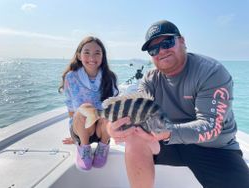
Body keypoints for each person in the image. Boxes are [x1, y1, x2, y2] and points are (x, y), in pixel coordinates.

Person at [106, 20, 249, 188]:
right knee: (134, 137)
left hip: (215, 149)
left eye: (167, 43)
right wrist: (112, 127)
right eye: (154, 49)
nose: (161, 51)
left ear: (182, 41)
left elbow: (211, 127)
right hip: (167, 142)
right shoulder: (151, 79)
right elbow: (133, 110)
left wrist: (168, 133)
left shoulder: (210, 72)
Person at [59, 36, 119, 171]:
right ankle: (84, 148)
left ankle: (103, 146)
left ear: (103, 56)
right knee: (85, 108)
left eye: (97, 53)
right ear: (79, 55)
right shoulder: (70, 77)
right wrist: (75, 133)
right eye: (87, 52)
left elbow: (115, 105)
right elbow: (69, 104)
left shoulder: (110, 77)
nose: (92, 57)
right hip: (82, 129)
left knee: (107, 112)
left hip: (101, 131)